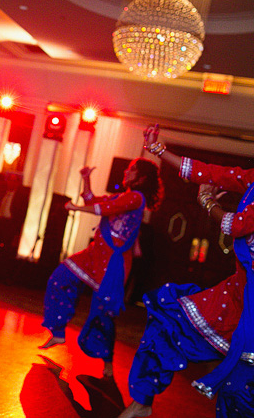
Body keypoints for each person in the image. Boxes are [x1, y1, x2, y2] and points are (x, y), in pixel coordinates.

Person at [118, 125, 254, 418]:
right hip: (239, 290)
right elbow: (211, 172)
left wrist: (207, 203)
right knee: (170, 323)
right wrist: (158, 150)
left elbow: (240, 225)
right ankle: (141, 404)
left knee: (243, 388)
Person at [40, 158, 163, 379]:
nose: (127, 171)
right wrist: (86, 179)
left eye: (132, 169)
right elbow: (93, 199)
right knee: (59, 278)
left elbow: (105, 208)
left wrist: (77, 208)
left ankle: (107, 362)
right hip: (94, 255)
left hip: (112, 265)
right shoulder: (122, 195)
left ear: (142, 177)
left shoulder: (136, 198)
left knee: (103, 315)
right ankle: (58, 332)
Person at [0, 173, 29, 280]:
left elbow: (21, 213)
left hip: (9, 224)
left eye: (14, 181)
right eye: (10, 180)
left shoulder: (21, 197)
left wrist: (16, 228)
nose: (11, 183)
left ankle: (1, 275)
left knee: (6, 249)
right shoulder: (1, 192)